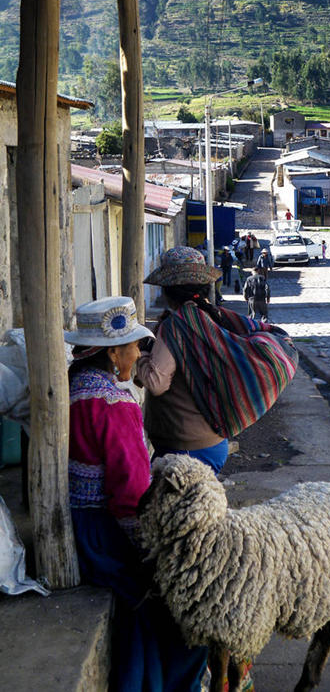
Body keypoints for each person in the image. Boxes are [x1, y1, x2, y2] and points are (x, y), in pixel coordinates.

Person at [65, 296, 209, 692]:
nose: (138, 352)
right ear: (113, 352)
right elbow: (128, 491)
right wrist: (151, 548)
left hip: (85, 522)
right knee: (180, 605)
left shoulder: (77, 384)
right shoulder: (111, 404)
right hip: (104, 534)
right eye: (133, 346)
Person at [137, 246, 229, 474]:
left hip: (186, 448)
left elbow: (156, 383)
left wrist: (141, 355)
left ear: (169, 291)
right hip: (213, 438)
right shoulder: (211, 318)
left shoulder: (175, 326)